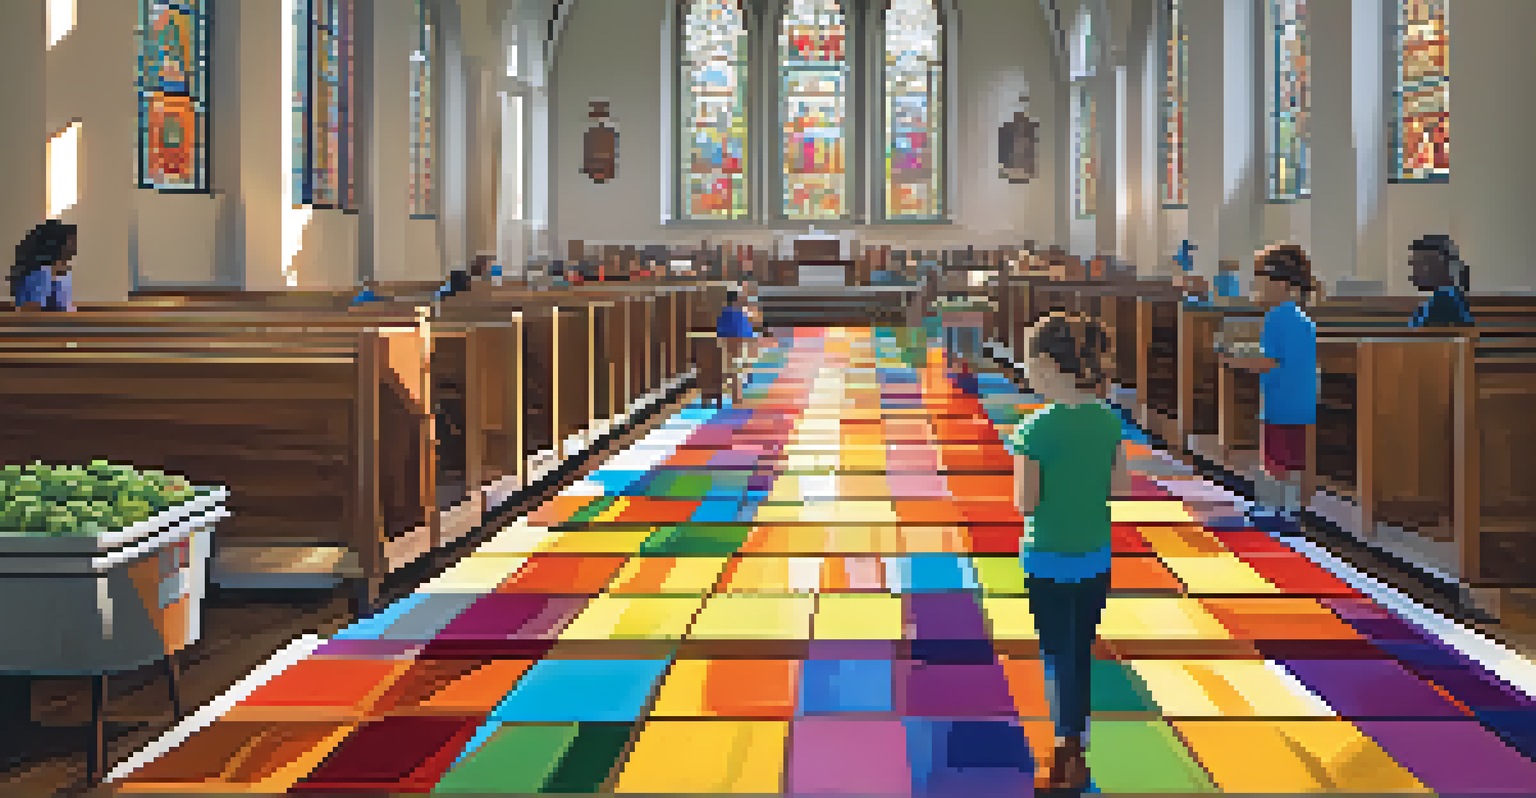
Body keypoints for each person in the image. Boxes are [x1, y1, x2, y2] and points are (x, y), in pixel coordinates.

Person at [1009, 312, 1131, 791]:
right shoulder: (1108, 423)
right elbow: (1118, 490)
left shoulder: (1034, 430)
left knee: (1056, 652)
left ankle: (1066, 749)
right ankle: (1074, 740)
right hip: (1094, 555)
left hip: (1047, 556)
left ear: (1044, 366)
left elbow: (1025, 502)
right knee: (1079, 648)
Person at [1221, 243, 1320, 533]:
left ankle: (1273, 510)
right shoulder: (1304, 320)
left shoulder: (1276, 317)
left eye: (1261, 281)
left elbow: (1269, 362)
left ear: (1282, 283)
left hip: (1279, 402)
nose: (1258, 288)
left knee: (1275, 460)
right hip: (1302, 404)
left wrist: (1235, 361)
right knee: (1293, 462)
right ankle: (1290, 511)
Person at [9, 220, 78, 312]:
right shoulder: (38, 274)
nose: (74, 249)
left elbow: (65, 306)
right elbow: (31, 312)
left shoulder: (61, 272)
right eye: (71, 242)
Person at [1407, 234, 1474, 327]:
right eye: (1414, 265)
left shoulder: (1444, 305)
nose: (1415, 273)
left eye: (1421, 264)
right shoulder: (1445, 297)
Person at [715, 289, 757, 406]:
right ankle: (737, 396)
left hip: (729, 343)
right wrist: (750, 342)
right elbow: (747, 330)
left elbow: (720, 330)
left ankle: (733, 394)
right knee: (738, 369)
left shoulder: (724, 312)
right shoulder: (740, 313)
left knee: (733, 369)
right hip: (739, 342)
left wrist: (721, 341)